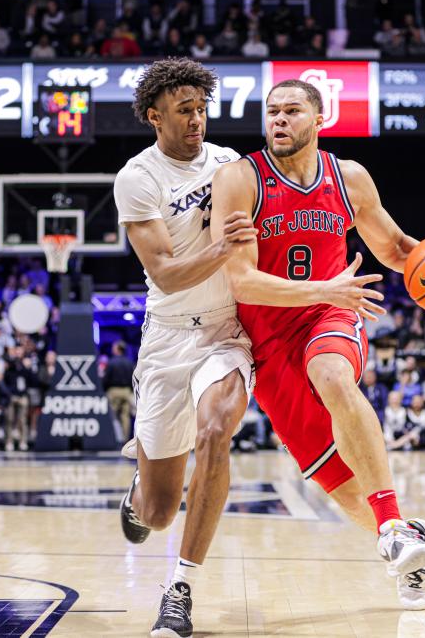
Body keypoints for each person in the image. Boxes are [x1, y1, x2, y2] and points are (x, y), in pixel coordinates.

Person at [211, 78, 425, 610]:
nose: (279, 120)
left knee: (332, 375)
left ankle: (391, 522)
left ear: (321, 120)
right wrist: (327, 284)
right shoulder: (240, 179)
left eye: (292, 111)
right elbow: (241, 281)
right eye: (272, 111)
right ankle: (402, 535)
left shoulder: (349, 178)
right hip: (267, 337)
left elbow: (397, 249)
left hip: (331, 312)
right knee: (335, 480)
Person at [113, 58, 256, 638]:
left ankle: (180, 588)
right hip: (169, 335)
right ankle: (139, 489)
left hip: (226, 328)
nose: (197, 120)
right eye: (183, 111)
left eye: (202, 109)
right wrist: (223, 248)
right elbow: (166, 274)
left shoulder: (229, 164)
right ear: (154, 116)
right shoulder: (138, 177)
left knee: (216, 429)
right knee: (158, 512)